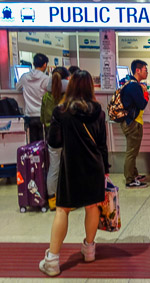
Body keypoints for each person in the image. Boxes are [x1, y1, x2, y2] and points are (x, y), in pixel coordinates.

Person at [38, 70, 109, 276]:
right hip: (94, 166)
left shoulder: (61, 111)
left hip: (71, 167)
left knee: (63, 210)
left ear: (70, 86)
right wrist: (105, 170)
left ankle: (52, 260)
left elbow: (54, 141)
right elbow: (102, 144)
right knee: (92, 206)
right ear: (90, 87)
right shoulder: (98, 111)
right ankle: (89, 250)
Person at [40, 66, 70, 211]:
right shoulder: (68, 95)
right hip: (68, 136)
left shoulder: (46, 96)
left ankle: (52, 199)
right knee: (68, 167)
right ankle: (68, 198)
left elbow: (43, 118)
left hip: (52, 137)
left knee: (54, 167)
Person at [120, 60, 149, 188]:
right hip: (133, 123)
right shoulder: (134, 86)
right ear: (138, 70)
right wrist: (145, 92)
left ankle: (133, 173)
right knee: (131, 152)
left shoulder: (131, 84)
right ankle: (129, 180)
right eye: (145, 70)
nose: (146, 72)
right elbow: (142, 104)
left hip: (131, 122)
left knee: (133, 151)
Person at [16, 53, 50, 143]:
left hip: (29, 115)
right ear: (45, 64)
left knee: (32, 145)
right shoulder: (46, 79)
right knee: (43, 144)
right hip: (42, 116)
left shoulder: (25, 77)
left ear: (34, 64)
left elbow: (17, 88)